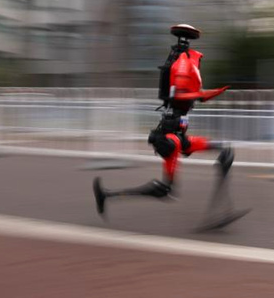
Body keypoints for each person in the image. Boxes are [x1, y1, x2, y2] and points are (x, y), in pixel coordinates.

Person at [93, 24, 232, 214]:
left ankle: (223, 207)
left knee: (225, 150)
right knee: (166, 190)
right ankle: (107, 195)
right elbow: (180, 95)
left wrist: (213, 92)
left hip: (180, 137)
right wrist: (203, 94)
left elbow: (193, 95)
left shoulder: (186, 64)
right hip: (170, 139)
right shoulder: (182, 63)